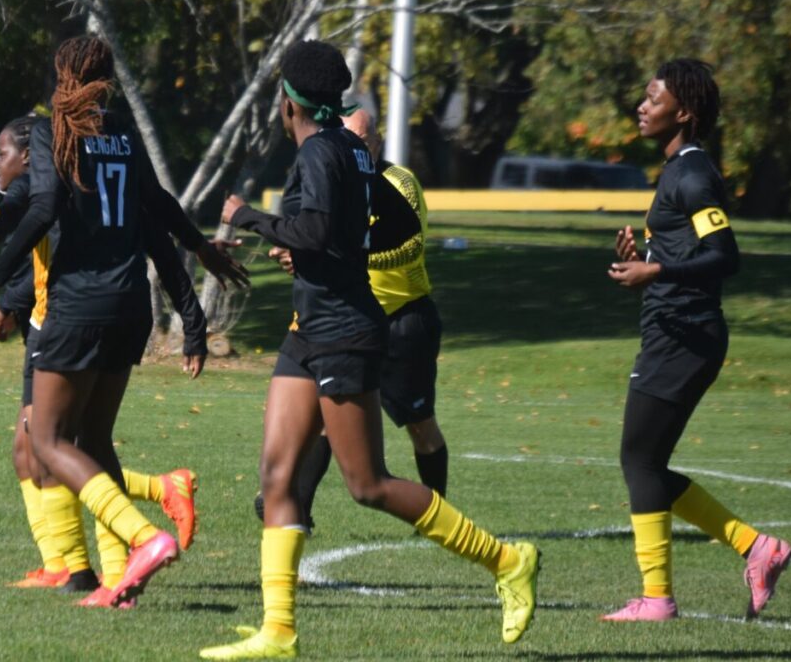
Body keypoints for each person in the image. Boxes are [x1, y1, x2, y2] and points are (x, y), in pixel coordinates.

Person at [200, 40, 539, 660]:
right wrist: (335, 249)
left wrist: (248, 217)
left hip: (343, 333)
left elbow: (312, 230)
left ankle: (508, 561)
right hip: (309, 331)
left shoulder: (319, 152)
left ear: (288, 102)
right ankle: (278, 631)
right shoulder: (352, 150)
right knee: (278, 476)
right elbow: (390, 225)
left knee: (369, 484)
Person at [0, 35, 248, 609]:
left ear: (63, 74)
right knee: (93, 440)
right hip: (129, 308)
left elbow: (41, 206)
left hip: (77, 307)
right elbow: (157, 205)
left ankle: (145, 538)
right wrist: (199, 251)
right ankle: (119, 579)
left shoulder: (54, 131)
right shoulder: (120, 131)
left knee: (45, 441)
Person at [0, 116, 205, 601]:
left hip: (65, 321)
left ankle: (130, 538)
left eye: (2, 153)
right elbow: (15, 207)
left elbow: (48, 231)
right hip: (64, 319)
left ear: (32, 154)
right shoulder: (82, 173)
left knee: (50, 444)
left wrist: (0, 295)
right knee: (44, 447)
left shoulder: (67, 182)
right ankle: (75, 569)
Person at [603, 58, 791, 622]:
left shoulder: (691, 175)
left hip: (684, 339)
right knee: (647, 462)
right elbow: (690, 252)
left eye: (653, 98)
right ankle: (757, 549)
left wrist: (656, 271)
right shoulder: (679, 171)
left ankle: (658, 598)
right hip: (675, 334)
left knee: (639, 461)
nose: (642, 106)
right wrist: (645, 259)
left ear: (682, 112)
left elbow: (724, 256)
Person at [257, 108, 448, 528]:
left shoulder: (398, 181)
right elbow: (317, 236)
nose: (355, 147)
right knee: (326, 423)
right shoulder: (334, 179)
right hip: (346, 322)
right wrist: (298, 254)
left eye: (363, 139)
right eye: (349, 138)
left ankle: (437, 517)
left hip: (402, 320)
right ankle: (297, 511)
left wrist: (340, 255)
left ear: (377, 140)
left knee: (420, 427)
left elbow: (409, 246)